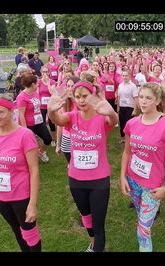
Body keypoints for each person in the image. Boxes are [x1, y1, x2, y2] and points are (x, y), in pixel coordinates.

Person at [48, 81, 119, 252]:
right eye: (77, 96)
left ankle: (98, 246)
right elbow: (57, 119)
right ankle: (93, 242)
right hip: (76, 179)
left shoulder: (101, 117)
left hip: (99, 180)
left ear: (92, 95)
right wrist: (51, 110)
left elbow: (113, 120)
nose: (81, 100)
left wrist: (111, 112)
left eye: (85, 96)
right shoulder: (72, 117)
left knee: (98, 223)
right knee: (86, 216)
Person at [119, 82, 165, 252]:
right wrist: (122, 177)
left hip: (152, 187)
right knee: (141, 219)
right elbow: (127, 152)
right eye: (141, 97)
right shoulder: (132, 124)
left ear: (157, 101)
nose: (143, 101)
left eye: (148, 98)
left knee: (143, 230)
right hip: (133, 181)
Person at [0, 93, 41, 252]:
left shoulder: (25, 135)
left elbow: (34, 171)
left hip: (21, 196)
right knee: (16, 230)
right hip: (0, 197)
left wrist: (32, 203)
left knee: (29, 233)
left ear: (11, 112)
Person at [16, 74, 52, 163]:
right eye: (37, 84)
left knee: (48, 139)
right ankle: (27, 161)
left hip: (39, 122)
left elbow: (37, 107)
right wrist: (25, 130)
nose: (38, 85)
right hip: (29, 125)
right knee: (29, 145)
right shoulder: (21, 97)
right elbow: (21, 114)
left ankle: (41, 151)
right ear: (32, 84)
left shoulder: (35, 93)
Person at [116, 70, 138, 144]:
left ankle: (129, 139)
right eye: (123, 76)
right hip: (122, 107)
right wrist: (118, 107)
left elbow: (136, 98)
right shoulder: (120, 85)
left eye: (126, 75)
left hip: (130, 107)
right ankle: (122, 138)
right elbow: (119, 97)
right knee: (122, 123)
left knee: (129, 124)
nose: (125, 77)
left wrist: (135, 109)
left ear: (129, 76)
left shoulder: (133, 86)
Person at [38, 66, 57, 146]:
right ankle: (45, 138)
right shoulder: (38, 82)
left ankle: (54, 139)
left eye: (46, 72)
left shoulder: (52, 82)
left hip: (50, 106)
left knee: (51, 123)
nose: (45, 73)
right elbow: (36, 93)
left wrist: (48, 83)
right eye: (43, 72)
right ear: (41, 73)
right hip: (42, 106)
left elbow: (52, 92)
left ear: (49, 73)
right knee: (42, 123)